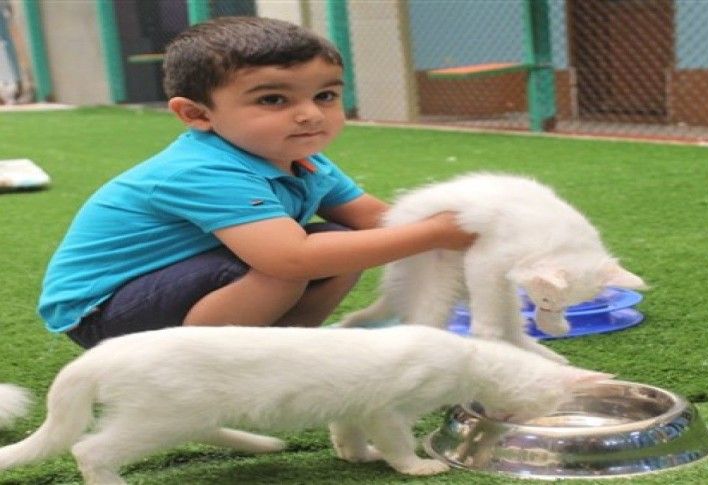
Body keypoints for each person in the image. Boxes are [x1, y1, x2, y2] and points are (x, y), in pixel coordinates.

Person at [38, 16, 475, 349]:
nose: (310, 114)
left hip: (179, 282)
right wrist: (436, 233)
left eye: (325, 95)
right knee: (281, 267)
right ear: (196, 114)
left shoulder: (302, 160)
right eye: (273, 99)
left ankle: (286, 348)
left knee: (339, 243)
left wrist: (473, 226)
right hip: (101, 310)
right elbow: (291, 259)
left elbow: (379, 221)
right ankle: (203, 367)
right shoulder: (203, 170)